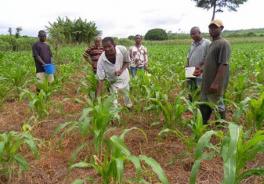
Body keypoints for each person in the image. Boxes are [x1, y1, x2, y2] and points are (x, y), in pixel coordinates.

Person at [194, 19, 231, 124]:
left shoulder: (224, 44)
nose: (212, 29)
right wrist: (200, 70)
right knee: (204, 102)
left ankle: (221, 125)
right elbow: (209, 62)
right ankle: (202, 123)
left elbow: (223, 65)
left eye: (215, 27)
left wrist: (216, 83)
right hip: (207, 81)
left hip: (215, 82)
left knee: (218, 103)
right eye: (210, 27)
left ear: (221, 28)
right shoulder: (212, 43)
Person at [96, 37, 133, 108]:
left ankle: (129, 106)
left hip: (124, 77)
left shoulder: (122, 50)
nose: (107, 49)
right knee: (113, 100)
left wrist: (121, 70)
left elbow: (127, 62)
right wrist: (97, 98)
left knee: (126, 94)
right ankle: (115, 115)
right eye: (105, 47)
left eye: (109, 46)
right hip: (113, 81)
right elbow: (100, 80)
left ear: (114, 45)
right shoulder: (101, 61)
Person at [186, 27, 211, 97]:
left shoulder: (207, 43)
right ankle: (191, 104)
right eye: (191, 34)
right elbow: (188, 55)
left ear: (200, 33)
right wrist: (187, 65)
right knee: (190, 88)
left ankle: (200, 106)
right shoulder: (192, 43)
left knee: (199, 88)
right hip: (190, 70)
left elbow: (209, 57)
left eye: (194, 34)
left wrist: (202, 67)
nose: (192, 36)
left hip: (199, 70)